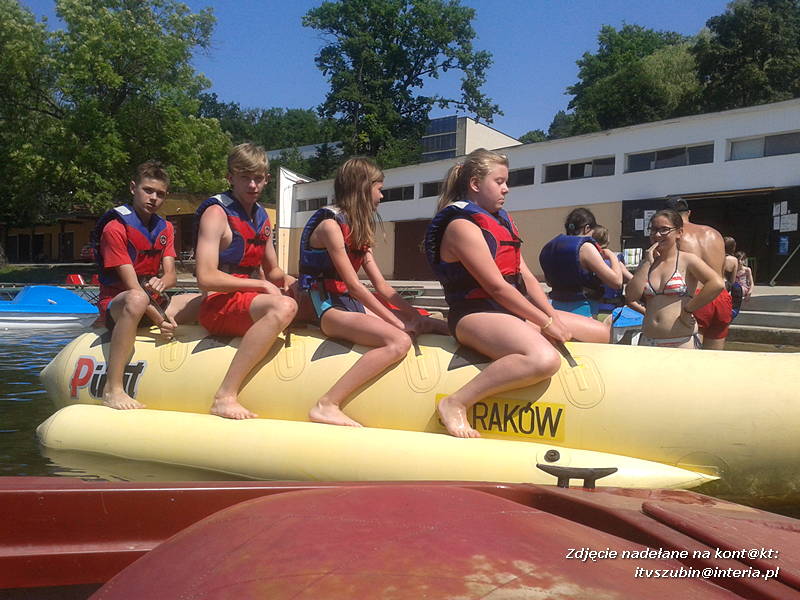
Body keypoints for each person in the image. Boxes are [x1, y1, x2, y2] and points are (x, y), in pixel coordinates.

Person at [425, 148, 610, 438]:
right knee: (544, 359)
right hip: (474, 314)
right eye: (499, 181)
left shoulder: (501, 220)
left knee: (600, 332)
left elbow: (525, 277)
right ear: (475, 184)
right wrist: (546, 325)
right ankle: (456, 402)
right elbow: (496, 286)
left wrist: (551, 316)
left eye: (505, 181)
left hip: (508, 311)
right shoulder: (461, 226)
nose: (506, 189)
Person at [297, 157, 448, 427]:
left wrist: (415, 317)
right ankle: (326, 404)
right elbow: (355, 286)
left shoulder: (358, 229)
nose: (381, 195)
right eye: (378, 188)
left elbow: (383, 287)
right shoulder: (330, 226)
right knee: (398, 341)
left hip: (347, 303)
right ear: (362, 188)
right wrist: (396, 322)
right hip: (326, 308)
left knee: (428, 322)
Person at [195, 143, 297, 419]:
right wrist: (260, 285)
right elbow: (205, 277)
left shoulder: (261, 216)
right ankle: (225, 395)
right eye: (245, 177)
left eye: (259, 178)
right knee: (283, 308)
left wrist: (300, 283)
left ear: (267, 178)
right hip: (219, 304)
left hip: (248, 300)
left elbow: (273, 271)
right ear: (230, 178)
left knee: (302, 296)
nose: (253, 185)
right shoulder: (216, 214)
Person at [93, 160, 202, 410]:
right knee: (137, 297)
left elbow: (172, 275)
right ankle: (113, 388)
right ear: (134, 188)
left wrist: (163, 281)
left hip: (152, 303)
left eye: (160, 194)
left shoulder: (165, 228)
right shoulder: (115, 228)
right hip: (118, 306)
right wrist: (161, 320)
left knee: (200, 298)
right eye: (148, 190)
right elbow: (132, 286)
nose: (153, 198)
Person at [626, 210, 724, 349]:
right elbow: (631, 296)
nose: (657, 234)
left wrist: (688, 309)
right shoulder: (647, 264)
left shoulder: (688, 260)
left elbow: (717, 283)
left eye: (664, 230)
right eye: (653, 229)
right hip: (649, 341)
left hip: (681, 342)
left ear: (679, 233)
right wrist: (647, 263)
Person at [664, 197, 731, 349]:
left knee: (693, 360)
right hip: (721, 296)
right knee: (714, 358)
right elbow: (721, 269)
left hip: (697, 297)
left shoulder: (676, 236)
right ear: (689, 212)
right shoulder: (714, 233)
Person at [539, 208, 623, 317]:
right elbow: (616, 282)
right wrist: (613, 257)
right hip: (584, 312)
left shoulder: (549, 247)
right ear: (587, 228)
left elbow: (549, 283)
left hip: (557, 310)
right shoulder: (585, 248)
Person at [590, 225, 643, 317]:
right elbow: (633, 281)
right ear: (607, 241)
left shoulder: (588, 260)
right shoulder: (615, 261)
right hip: (611, 310)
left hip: (592, 308)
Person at [723, 236, 743, 319]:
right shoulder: (733, 260)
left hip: (714, 285)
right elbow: (732, 280)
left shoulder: (715, 257)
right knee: (737, 287)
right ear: (733, 247)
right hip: (726, 286)